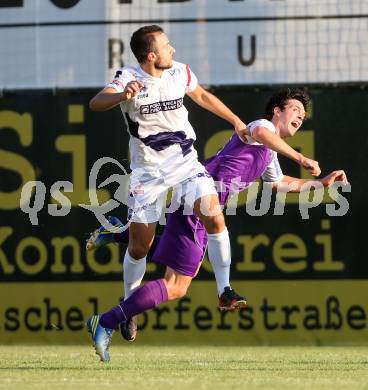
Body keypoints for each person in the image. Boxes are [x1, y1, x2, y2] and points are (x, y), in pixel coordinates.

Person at [86, 88, 348, 362]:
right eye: (295, 109)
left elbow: (280, 184)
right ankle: (106, 321)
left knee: (186, 269)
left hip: (197, 200)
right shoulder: (262, 127)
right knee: (176, 285)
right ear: (277, 111)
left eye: (303, 116)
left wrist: (322, 183)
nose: (300, 116)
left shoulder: (270, 154)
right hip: (200, 197)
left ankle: (119, 234)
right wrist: (301, 158)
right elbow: (259, 134)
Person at [88, 24, 249, 323]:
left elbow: (201, 95)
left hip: (186, 164)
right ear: (151, 55)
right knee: (140, 246)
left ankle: (225, 289)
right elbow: (96, 103)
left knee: (213, 215)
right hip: (148, 172)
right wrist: (123, 95)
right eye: (166, 45)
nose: (172, 49)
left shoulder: (178, 71)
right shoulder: (129, 77)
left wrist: (235, 120)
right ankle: (129, 306)